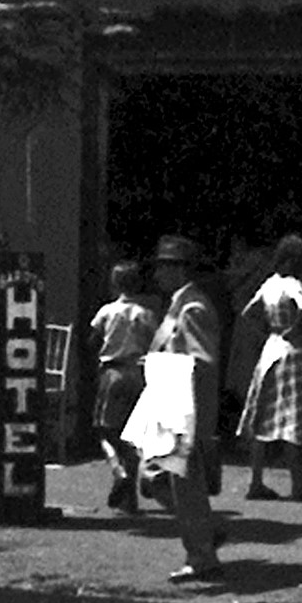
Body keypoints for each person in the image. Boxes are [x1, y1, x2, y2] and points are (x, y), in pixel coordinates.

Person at [147, 235, 224, 583]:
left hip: (182, 406)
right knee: (153, 480)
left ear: (180, 269)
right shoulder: (177, 304)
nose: (158, 272)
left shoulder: (192, 309)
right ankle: (207, 533)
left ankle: (201, 554)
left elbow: (202, 361)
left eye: (165, 265)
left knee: (182, 485)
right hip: (166, 400)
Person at [236, 235, 302, 501]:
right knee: (291, 420)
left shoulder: (269, 284)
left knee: (262, 416)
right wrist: (296, 327)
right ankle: (298, 483)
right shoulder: (293, 285)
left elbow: (248, 312)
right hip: (293, 351)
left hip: (270, 350)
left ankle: (256, 481)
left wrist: (269, 329)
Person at [89, 261, 161, 512]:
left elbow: (93, 340)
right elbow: (157, 343)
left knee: (105, 430)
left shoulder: (107, 312)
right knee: (132, 435)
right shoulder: (145, 314)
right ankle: (129, 501)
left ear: (114, 284)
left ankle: (119, 471)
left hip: (113, 371)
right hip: (138, 373)